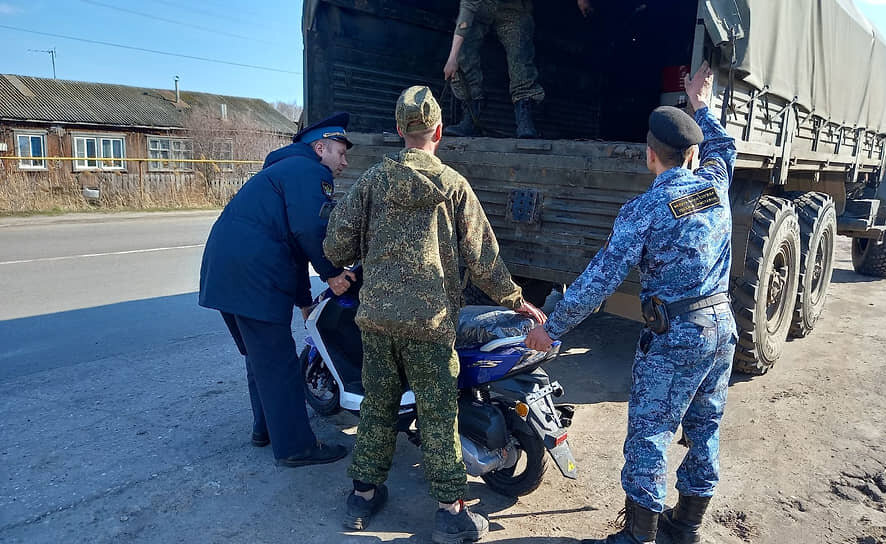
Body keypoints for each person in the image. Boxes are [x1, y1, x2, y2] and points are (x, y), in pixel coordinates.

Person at [526, 62, 737, 544]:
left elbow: (598, 281)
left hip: (677, 336)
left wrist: (552, 328)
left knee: (650, 433)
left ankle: (638, 536)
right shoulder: (716, 184)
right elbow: (723, 147)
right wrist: (700, 103)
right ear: (692, 154)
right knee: (705, 428)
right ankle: (686, 527)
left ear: (649, 155)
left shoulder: (645, 209)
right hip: (722, 328)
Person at [324, 85, 546, 543]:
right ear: (439, 131)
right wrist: (514, 300)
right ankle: (450, 512)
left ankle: (361, 498)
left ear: (399, 131)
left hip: (379, 322)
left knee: (378, 408)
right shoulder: (453, 186)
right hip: (430, 325)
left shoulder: (370, 183)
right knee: (439, 416)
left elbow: (335, 247)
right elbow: (483, 258)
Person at [198, 113, 357, 467]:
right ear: (320, 148)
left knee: (261, 357)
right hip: (254, 275)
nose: (344, 163)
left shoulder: (279, 171)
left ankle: (266, 430)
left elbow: (293, 246)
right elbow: (308, 231)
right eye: (341, 153)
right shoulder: (308, 171)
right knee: (280, 363)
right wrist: (332, 272)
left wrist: (303, 299)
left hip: (226, 273)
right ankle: (297, 447)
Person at [442, 0, 544, 138]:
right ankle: (471, 117)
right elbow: (466, 12)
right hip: (481, 9)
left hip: (514, 9)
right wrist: (452, 58)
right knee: (463, 50)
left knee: (520, 55)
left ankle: (525, 117)